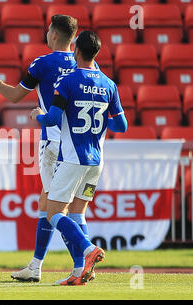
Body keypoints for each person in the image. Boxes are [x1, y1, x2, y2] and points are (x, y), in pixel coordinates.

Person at [0, 15, 89, 282]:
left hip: (53, 141)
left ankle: (74, 260)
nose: (47, 34)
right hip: (81, 146)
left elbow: (14, 95)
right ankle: (51, 266)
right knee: (71, 208)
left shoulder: (42, 63)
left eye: (49, 30)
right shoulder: (83, 65)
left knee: (52, 205)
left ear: (54, 35)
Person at [30, 30, 128, 285]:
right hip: (96, 160)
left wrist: (37, 116)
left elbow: (52, 119)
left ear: (76, 50)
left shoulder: (68, 81)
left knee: (53, 213)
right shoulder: (109, 84)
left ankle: (88, 249)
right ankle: (81, 272)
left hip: (72, 157)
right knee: (77, 213)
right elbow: (122, 127)